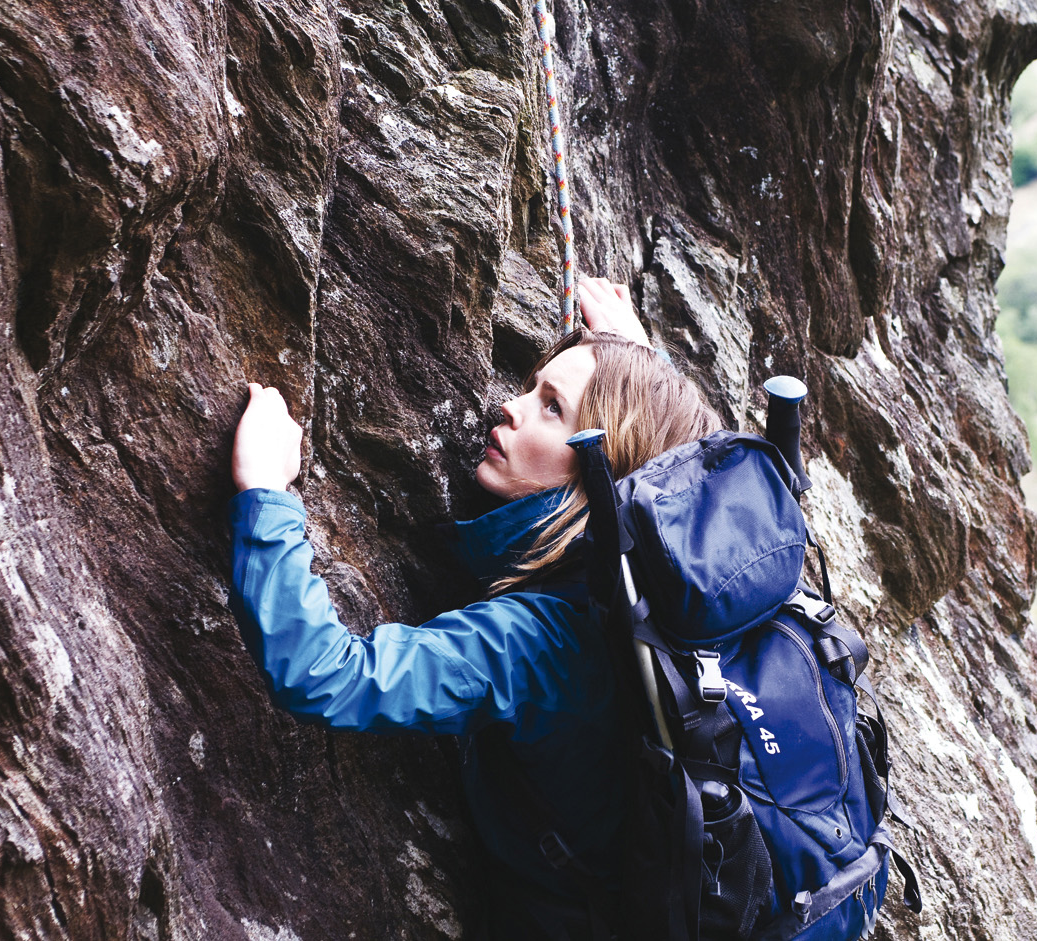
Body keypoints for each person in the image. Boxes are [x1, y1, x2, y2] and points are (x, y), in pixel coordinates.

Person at [228, 278, 723, 940]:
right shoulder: (675, 575)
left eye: (552, 408)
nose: (509, 407)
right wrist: (635, 362)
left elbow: (325, 672)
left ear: (605, 465)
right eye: (532, 387)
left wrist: (264, 492)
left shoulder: (538, 642)